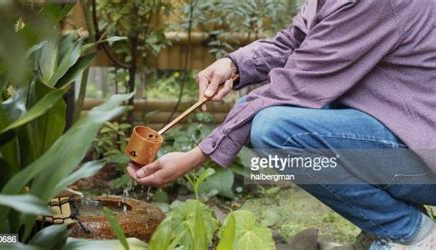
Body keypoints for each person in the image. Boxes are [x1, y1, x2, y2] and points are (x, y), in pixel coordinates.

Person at [127, 0, 436, 249]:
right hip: (403, 139)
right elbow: (294, 44)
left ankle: (414, 234)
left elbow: (293, 85)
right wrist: (234, 64)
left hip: (425, 152)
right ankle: (386, 229)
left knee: (275, 129)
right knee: (286, 117)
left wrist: (195, 157)